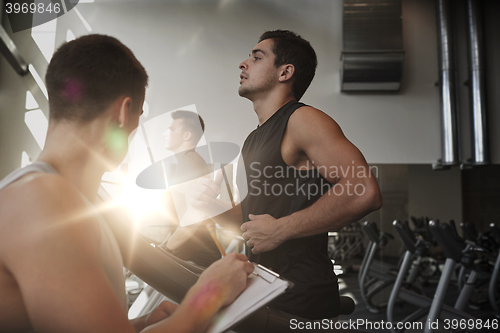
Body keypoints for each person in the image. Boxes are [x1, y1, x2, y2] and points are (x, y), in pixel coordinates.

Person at [0, 34, 254, 333]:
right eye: (139, 117)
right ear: (123, 113)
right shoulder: (46, 201)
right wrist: (210, 294)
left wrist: (138, 324)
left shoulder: (40, 192)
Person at [189, 30, 383, 320]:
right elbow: (252, 224)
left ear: (285, 72)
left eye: (256, 57)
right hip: (264, 286)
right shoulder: (253, 139)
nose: (243, 64)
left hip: (301, 294)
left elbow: (363, 191)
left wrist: (281, 229)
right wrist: (210, 207)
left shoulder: (302, 120)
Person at [161, 110, 221, 267]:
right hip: (188, 258)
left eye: (172, 129)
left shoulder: (191, 161)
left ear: (187, 135)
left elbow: (196, 214)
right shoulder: (185, 162)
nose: (165, 133)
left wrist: (165, 248)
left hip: (196, 262)